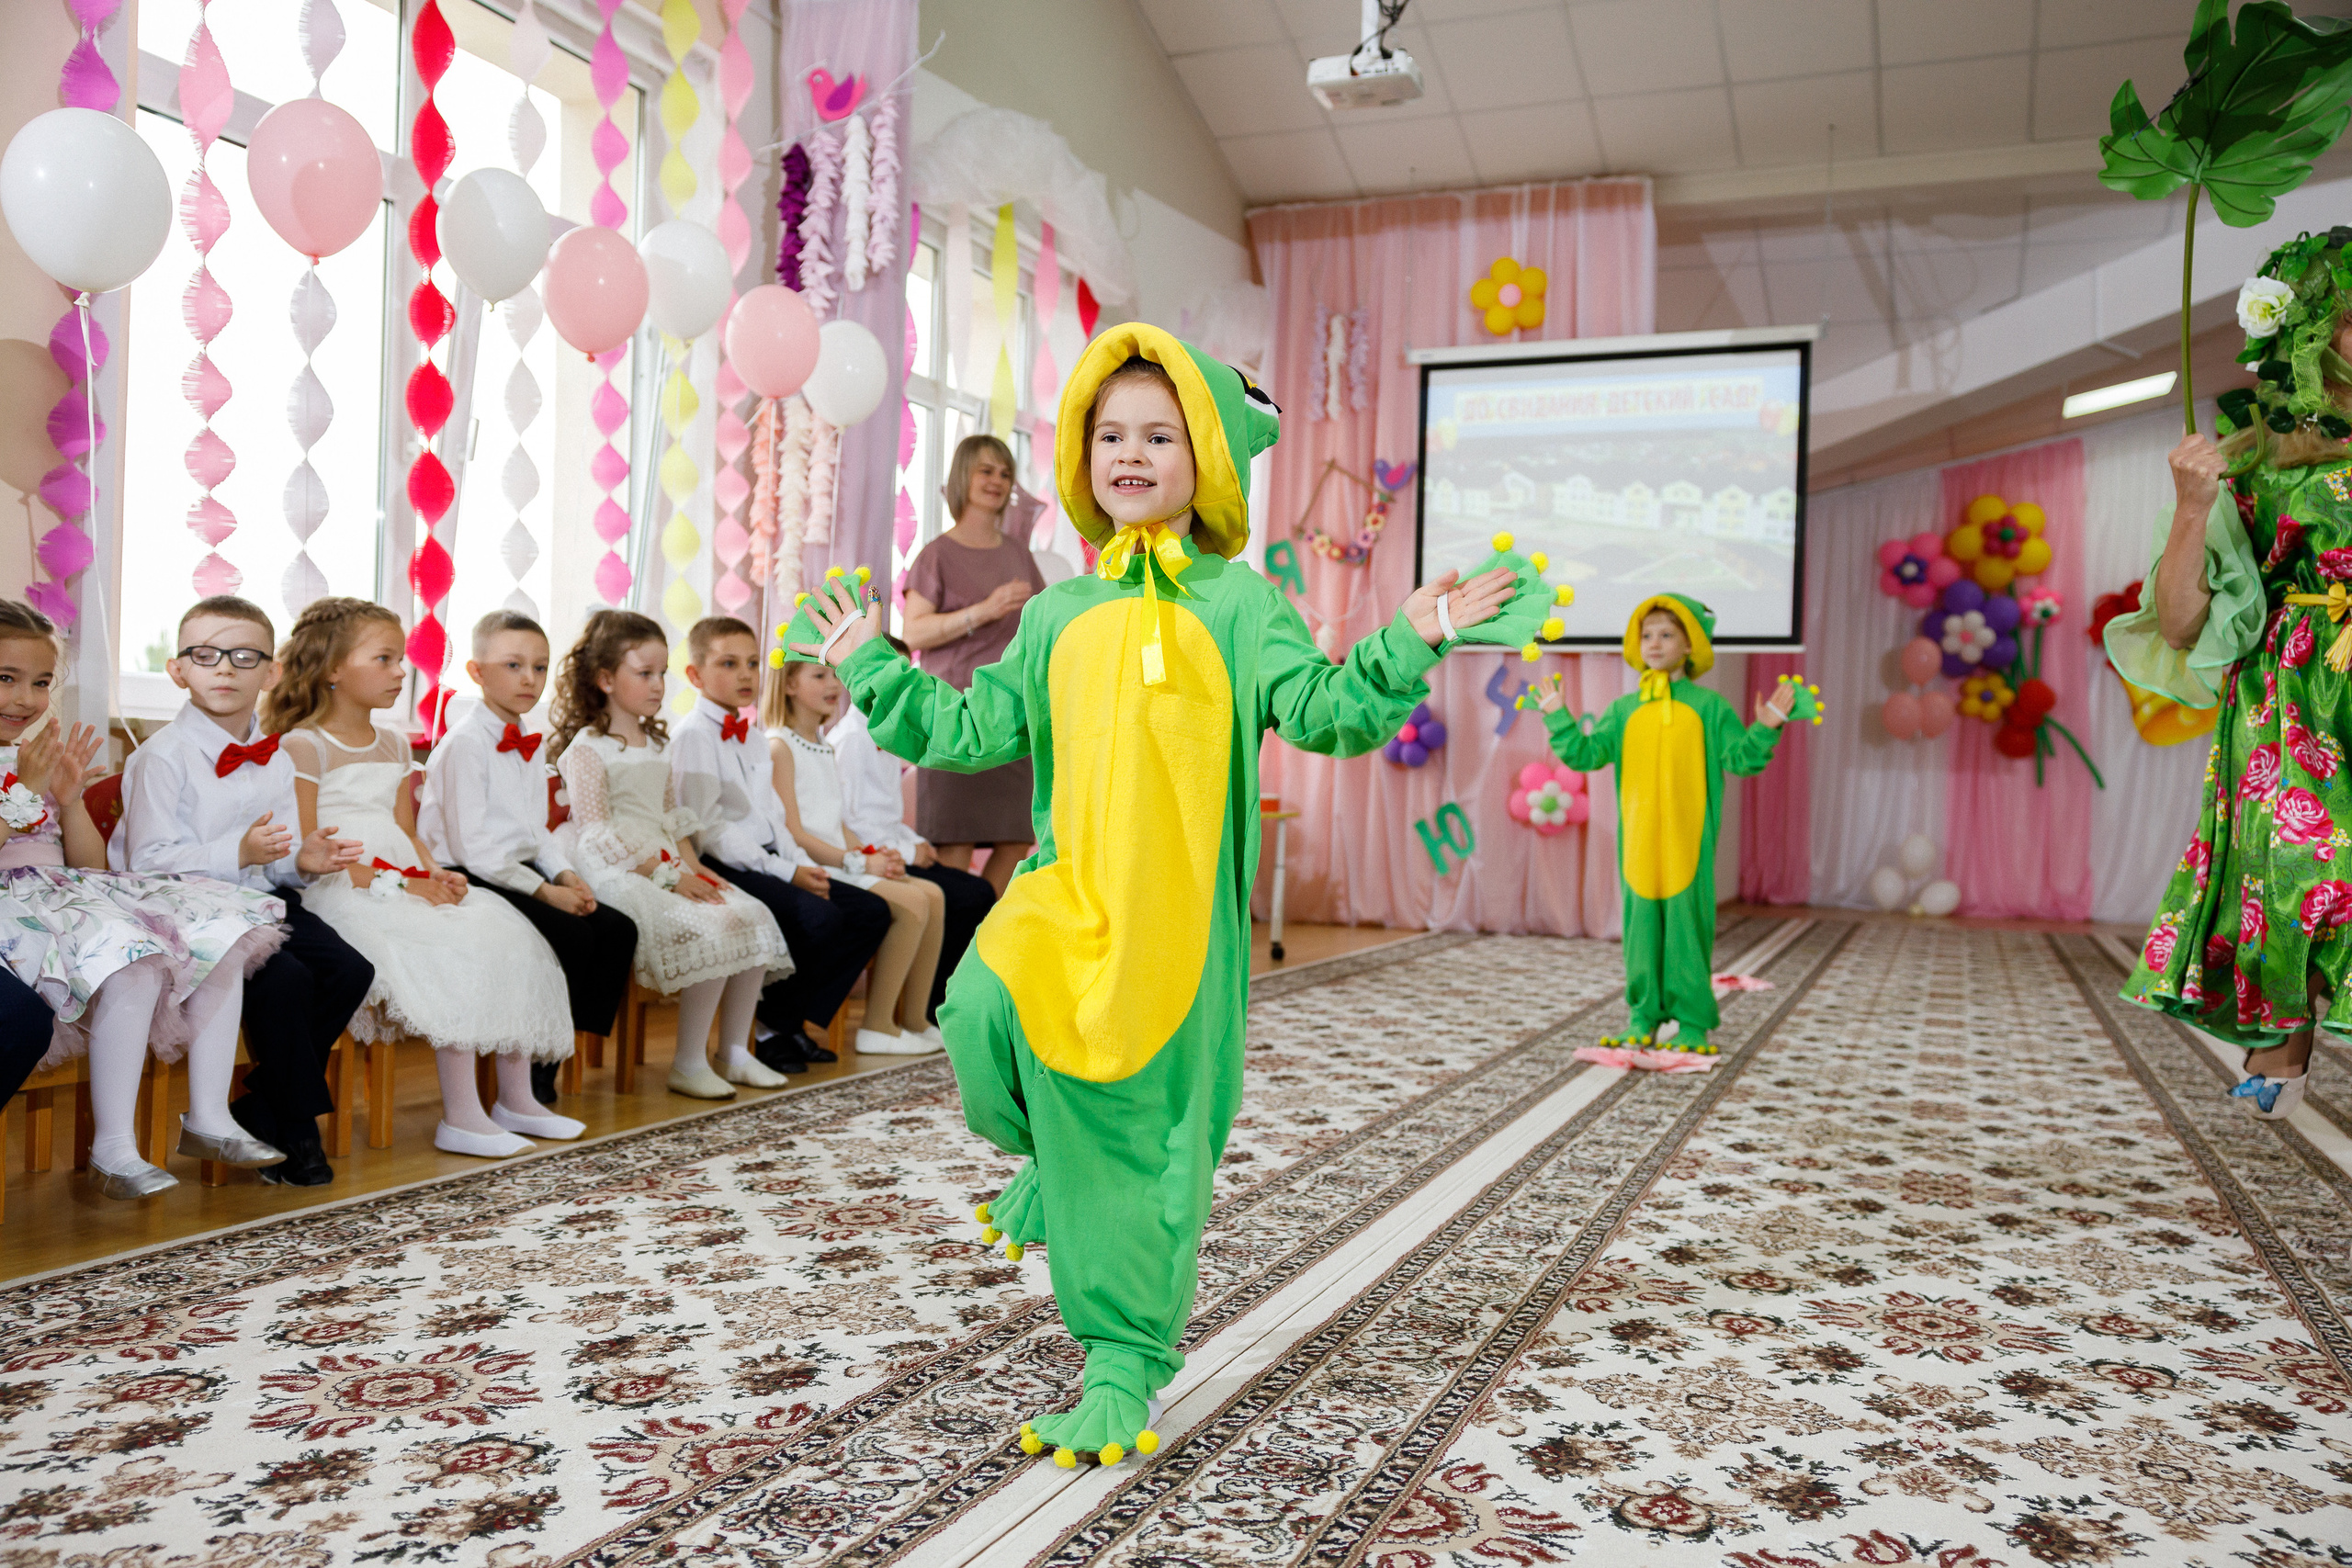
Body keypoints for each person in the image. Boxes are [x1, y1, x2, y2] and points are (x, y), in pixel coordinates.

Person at [792, 323, 1525, 1467]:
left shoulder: (1242, 606)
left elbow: (1329, 708)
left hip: (1173, 932)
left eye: (1159, 434)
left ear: (1208, 462)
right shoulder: (1054, 613)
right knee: (977, 1017)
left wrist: (1409, 637)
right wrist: (871, 659)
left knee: (1135, 1149)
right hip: (1059, 895)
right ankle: (1042, 1159)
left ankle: (1120, 1362)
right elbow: (971, 728)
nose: (1128, 453)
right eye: (1108, 433)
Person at [2107, 225, 2352, 1122]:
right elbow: (2179, 621)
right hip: (2289, 695)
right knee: (2297, 860)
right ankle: (2282, 1036)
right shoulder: (2251, 459)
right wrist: (2189, 508)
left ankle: (2286, 1040)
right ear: (2307, 332)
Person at [264, 597, 580, 1157]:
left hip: (408, 876)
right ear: (334, 668)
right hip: (348, 886)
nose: (400, 671)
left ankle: (515, 1098)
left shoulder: (392, 742)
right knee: (453, 952)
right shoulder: (303, 745)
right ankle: (461, 1115)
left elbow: (407, 831)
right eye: (384, 659)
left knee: (503, 936)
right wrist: (409, 886)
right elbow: (314, 853)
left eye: (400, 658)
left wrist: (436, 874)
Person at [0, 600, 289, 1198]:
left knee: (210, 932)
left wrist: (71, 798)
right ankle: (111, 1145)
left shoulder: (32, 755)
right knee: (124, 951)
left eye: (41, 682)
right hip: (12, 899)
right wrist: (26, 792)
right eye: (6, 678)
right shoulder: (25, 767)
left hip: (64, 888)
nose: (25, 698)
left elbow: (87, 863)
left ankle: (206, 1115)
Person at [113, 593, 374, 1187]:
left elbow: (278, 860)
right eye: (205, 655)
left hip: (258, 898)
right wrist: (236, 853)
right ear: (178, 670)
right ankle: (298, 1125)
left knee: (351, 970)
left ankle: (260, 1107)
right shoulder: (162, 757)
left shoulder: (276, 755)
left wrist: (304, 860)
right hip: (188, 909)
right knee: (288, 981)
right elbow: (148, 863)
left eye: (243, 655)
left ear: (271, 671)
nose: (225, 668)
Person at [1532, 596, 1792, 1055]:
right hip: (1638, 846)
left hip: (1687, 844)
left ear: (1690, 645)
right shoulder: (1624, 709)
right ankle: (1642, 1017)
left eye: (1667, 634)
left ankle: (1692, 1021)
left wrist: (1767, 724)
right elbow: (1585, 755)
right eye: (1647, 634)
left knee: (1687, 930)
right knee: (1640, 933)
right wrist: (1557, 714)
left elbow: (1742, 758)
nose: (1654, 643)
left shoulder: (1709, 707)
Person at [550, 610, 790, 1100]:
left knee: (751, 913)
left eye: (662, 673)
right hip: (619, 867)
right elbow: (597, 834)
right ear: (605, 679)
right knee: (716, 927)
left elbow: (673, 819)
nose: (659, 684)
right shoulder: (587, 748)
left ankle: (735, 1053)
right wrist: (666, 876)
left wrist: (693, 866)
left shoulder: (656, 740)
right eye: (645, 673)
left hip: (664, 859)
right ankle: (687, 1061)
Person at [421, 610, 639, 1105]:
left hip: (518, 868)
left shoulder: (523, 738)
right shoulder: (465, 745)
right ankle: (534, 1068)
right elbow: (476, 849)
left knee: (616, 929)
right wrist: (546, 893)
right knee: (570, 934)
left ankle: (554, 1051)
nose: (529, 679)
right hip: (467, 873)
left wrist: (566, 874)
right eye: (513, 665)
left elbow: (535, 831)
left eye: (540, 668)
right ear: (477, 672)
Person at [672, 615, 890, 1069]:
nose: (746, 674)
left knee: (869, 912)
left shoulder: (750, 735)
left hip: (769, 857)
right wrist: (786, 871)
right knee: (820, 918)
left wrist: (795, 862)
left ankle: (789, 1019)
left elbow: (773, 816)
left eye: (752, 663)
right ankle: (770, 1028)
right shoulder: (693, 735)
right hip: (722, 864)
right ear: (695, 675)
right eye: (729, 664)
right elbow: (708, 828)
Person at [768, 655, 946, 1052]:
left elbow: (839, 821)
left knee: (934, 895)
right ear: (790, 686)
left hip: (840, 857)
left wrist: (874, 854)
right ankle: (877, 1026)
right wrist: (857, 861)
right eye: (820, 675)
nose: (834, 684)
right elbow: (794, 831)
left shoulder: (820, 745)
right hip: (812, 862)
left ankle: (914, 1019)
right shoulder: (780, 746)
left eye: (836, 675)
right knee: (914, 901)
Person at [901, 434, 1047, 897]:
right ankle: (950, 959)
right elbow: (913, 634)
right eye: (986, 470)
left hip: (1011, 712)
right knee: (955, 840)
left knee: (1018, 837)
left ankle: (980, 942)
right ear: (962, 477)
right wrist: (983, 611)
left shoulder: (1019, 555)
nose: (997, 481)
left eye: (1005, 473)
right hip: (955, 716)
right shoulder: (935, 555)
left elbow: (1042, 627)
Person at [829, 632, 995, 1020]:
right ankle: (935, 1004)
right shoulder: (852, 740)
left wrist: (917, 842)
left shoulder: (887, 732)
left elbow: (886, 814)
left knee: (977, 891)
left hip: (894, 846)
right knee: (968, 895)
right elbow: (849, 821)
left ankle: (943, 1001)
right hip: (870, 855)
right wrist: (907, 852)